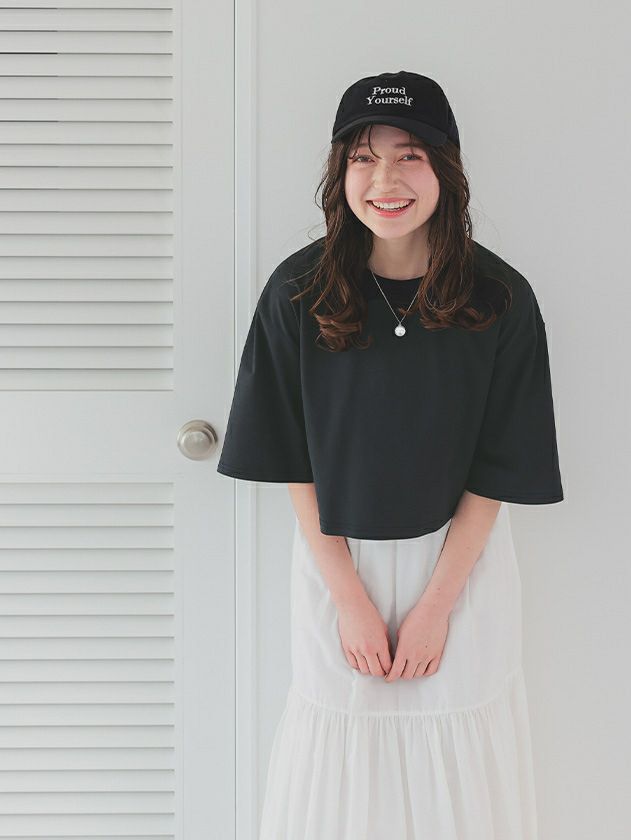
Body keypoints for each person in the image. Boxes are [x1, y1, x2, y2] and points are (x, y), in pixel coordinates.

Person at [217, 69, 564, 840]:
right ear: (339, 173)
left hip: (463, 565)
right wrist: (347, 598)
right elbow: (291, 458)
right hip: (337, 561)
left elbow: (500, 465)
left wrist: (438, 606)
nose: (385, 181)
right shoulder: (297, 291)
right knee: (341, 752)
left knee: (460, 756)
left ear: (447, 169)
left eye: (410, 155)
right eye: (363, 158)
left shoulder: (500, 297)